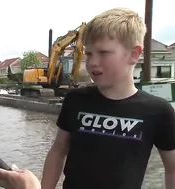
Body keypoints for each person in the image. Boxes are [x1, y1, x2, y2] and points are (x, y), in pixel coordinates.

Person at [40, 7, 175, 189]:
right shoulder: (75, 100)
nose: (93, 62)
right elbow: (58, 151)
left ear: (134, 54)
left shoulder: (159, 111)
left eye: (103, 53)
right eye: (88, 54)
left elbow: (172, 168)